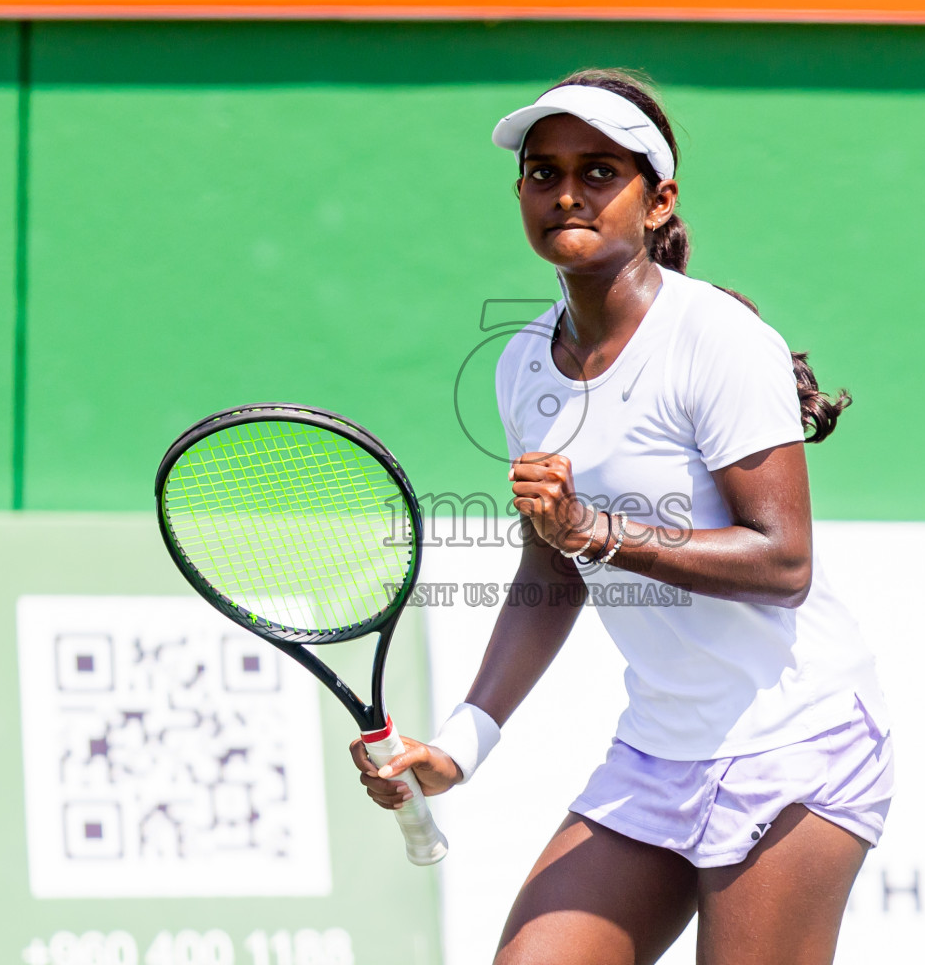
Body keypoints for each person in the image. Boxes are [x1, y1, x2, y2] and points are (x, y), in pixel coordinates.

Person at [350, 68, 894, 965]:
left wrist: (599, 531)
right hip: (658, 750)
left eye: (601, 171)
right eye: (543, 171)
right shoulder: (522, 364)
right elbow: (550, 570)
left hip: (796, 746)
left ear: (657, 200)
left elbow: (783, 561)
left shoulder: (717, 338)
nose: (567, 191)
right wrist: (459, 747)